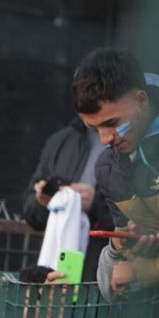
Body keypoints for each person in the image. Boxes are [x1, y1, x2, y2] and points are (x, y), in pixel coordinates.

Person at [72, 49, 159, 300]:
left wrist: (140, 271)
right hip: (155, 314)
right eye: (93, 128)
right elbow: (117, 280)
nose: (105, 139)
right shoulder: (107, 168)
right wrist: (125, 245)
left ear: (142, 100)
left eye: (111, 123)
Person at [21, 117, 111, 277]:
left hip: (105, 268)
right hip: (61, 264)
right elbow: (30, 213)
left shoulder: (127, 139)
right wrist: (44, 202)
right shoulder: (60, 141)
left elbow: (143, 218)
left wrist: (97, 204)